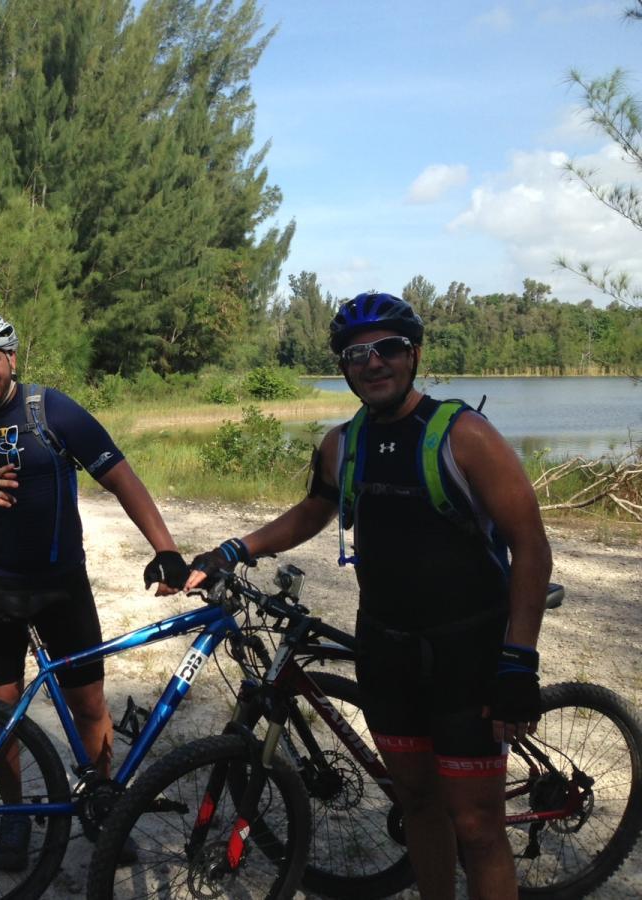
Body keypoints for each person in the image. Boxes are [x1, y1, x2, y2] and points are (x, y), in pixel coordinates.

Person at [188, 292, 552, 900]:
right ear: (344, 366)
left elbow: (530, 546)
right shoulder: (342, 443)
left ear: (413, 355)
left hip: (469, 654)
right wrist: (234, 549)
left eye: (387, 349)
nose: (372, 362)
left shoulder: (465, 435)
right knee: (416, 803)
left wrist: (520, 659)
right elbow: (313, 510)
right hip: (386, 652)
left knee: (479, 827)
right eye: (357, 354)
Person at [0, 311, 189, 870]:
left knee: (89, 704)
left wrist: (164, 548)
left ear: (11, 359)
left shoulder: (52, 410)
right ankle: (14, 823)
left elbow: (120, 476)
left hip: (63, 581)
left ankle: (104, 813)